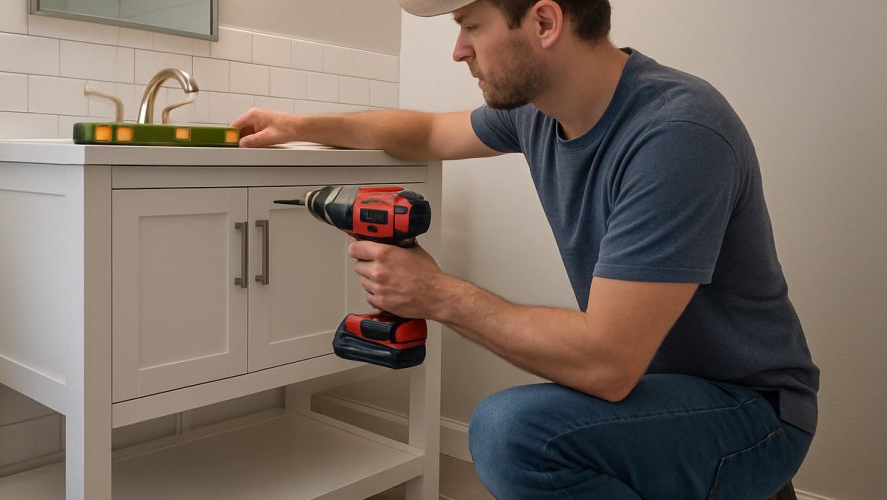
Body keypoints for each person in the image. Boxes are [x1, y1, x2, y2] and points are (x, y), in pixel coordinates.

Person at [231, 0, 819, 498]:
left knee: (512, 431)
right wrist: (298, 125)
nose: (459, 50)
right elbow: (429, 131)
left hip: (751, 410)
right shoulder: (538, 116)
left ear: (543, 23)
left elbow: (607, 365)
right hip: (656, 389)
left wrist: (436, 293)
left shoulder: (677, 132)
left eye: (471, 25)